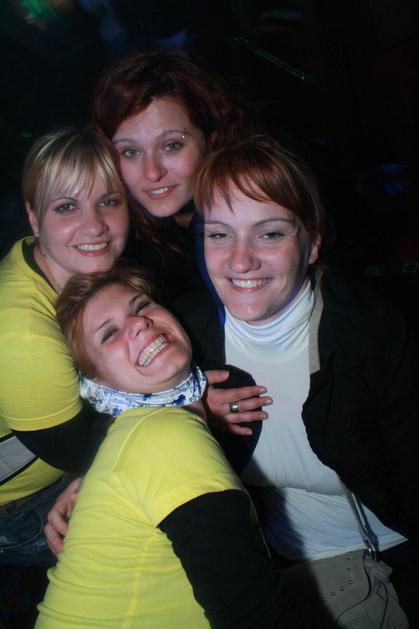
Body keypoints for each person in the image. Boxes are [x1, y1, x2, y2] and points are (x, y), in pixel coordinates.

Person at [173, 134, 419, 624]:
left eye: (269, 234)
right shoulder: (184, 333)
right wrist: (186, 417)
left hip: (391, 558)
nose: (240, 260)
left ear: (312, 242)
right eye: (219, 235)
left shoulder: (367, 332)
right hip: (270, 564)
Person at [36, 265, 306, 629]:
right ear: (96, 383)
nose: (139, 323)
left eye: (142, 306)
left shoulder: (138, 437)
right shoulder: (166, 435)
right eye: (109, 333)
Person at [0, 128, 130, 566]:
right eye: (67, 206)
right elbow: (79, 455)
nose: (95, 226)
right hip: (22, 506)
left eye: (109, 201)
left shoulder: (51, 261)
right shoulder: (24, 337)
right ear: (34, 217)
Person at [93, 48, 253, 298]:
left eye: (172, 146)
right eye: (130, 151)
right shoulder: (127, 234)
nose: (152, 172)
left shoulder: (252, 210)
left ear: (211, 139)